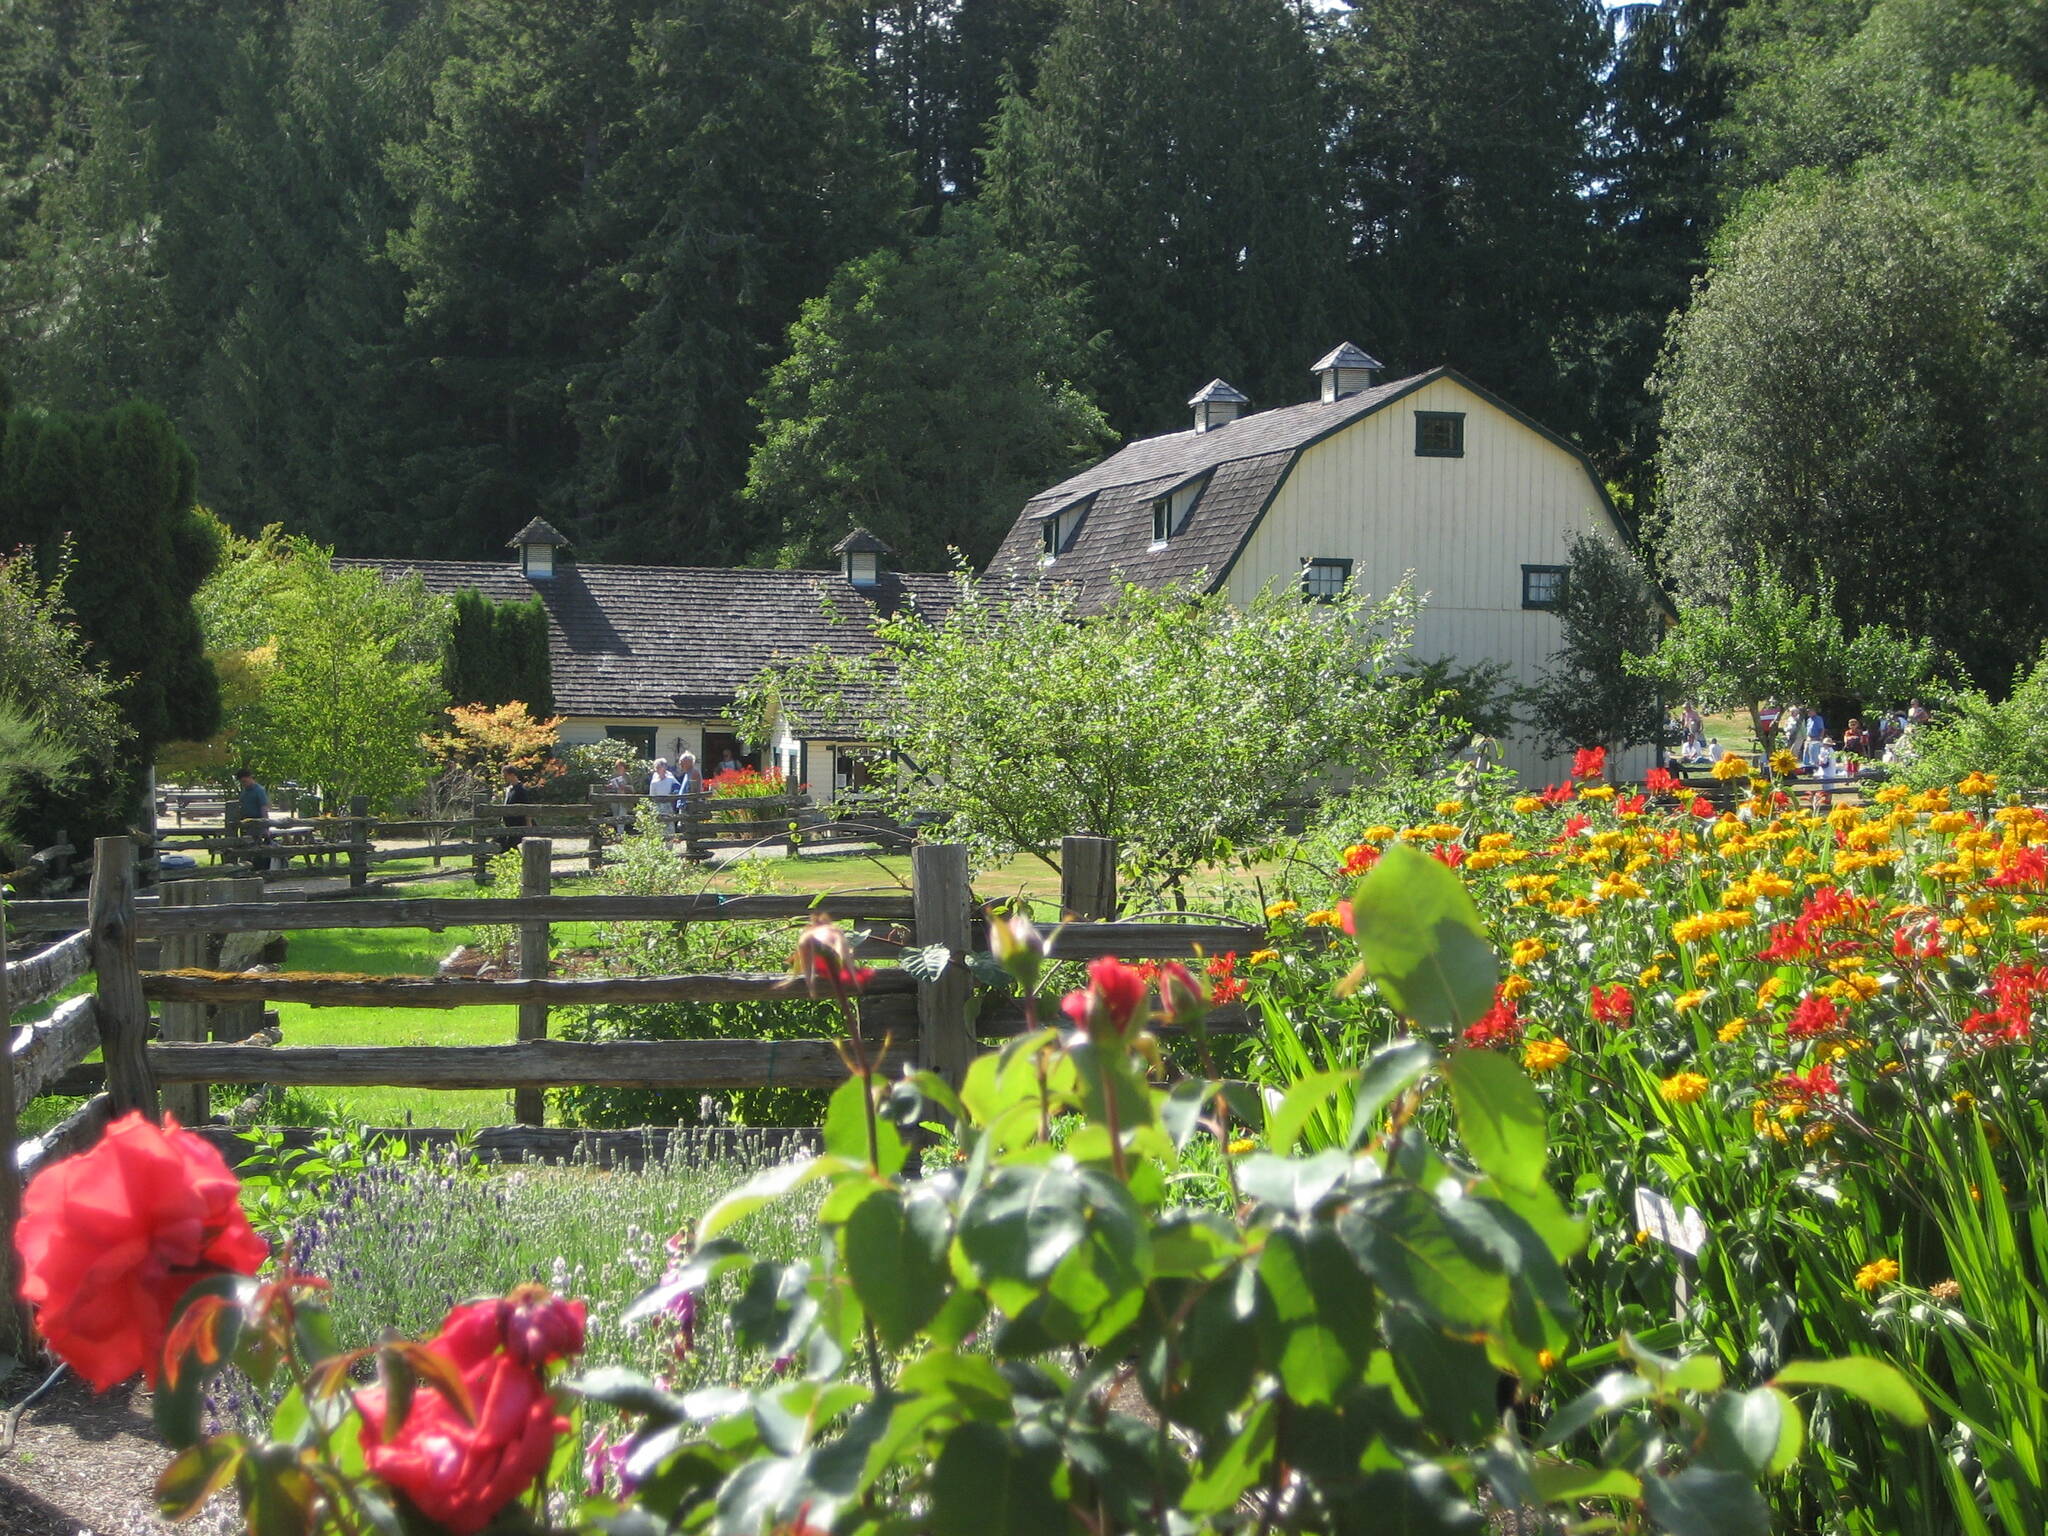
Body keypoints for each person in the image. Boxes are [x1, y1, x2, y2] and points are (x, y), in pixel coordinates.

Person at [234, 768, 275, 870]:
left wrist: (266, 826)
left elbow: (263, 808)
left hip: (257, 823)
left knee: (258, 848)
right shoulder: (245, 792)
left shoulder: (259, 790)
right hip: (246, 823)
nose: (244, 784)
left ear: (250, 778)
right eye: (242, 782)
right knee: (247, 847)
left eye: (245, 781)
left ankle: (260, 869)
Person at [497, 765, 531, 853]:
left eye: (505, 776)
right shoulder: (509, 789)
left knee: (511, 849)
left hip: (518, 825)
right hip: (509, 826)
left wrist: (528, 826)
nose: (504, 778)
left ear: (512, 775)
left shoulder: (521, 790)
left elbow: (527, 808)